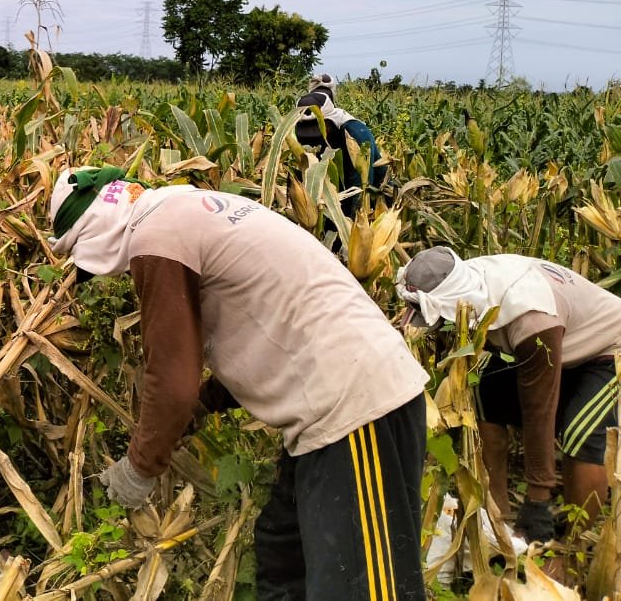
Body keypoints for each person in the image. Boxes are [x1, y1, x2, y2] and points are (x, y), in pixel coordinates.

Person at [49, 166, 429, 601]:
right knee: (283, 550)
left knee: (359, 588)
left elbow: (171, 380)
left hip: (353, 410)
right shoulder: (183, 210)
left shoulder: (155, 238)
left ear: (93, 232)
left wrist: (138, 469)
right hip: (344, 399)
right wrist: (206, 404)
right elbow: (270, 320)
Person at [396, 247, 621, 542]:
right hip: (567, 347)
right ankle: (495, 516)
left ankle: (570, 547)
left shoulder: (531, 318)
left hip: (608, 350)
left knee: (581, 432)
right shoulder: (463, 280)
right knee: (484, 395)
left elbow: (539, 409)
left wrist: (537, 499)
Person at [294, 73, 385, 218]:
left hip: (371, 190)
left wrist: (349, 225)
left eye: (317, 130)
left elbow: (361, 185)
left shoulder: (355, 133)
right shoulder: (295, 129)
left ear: (328, 120)